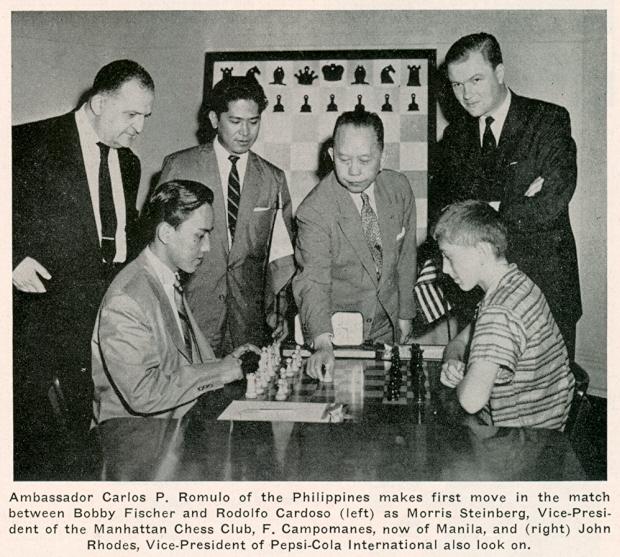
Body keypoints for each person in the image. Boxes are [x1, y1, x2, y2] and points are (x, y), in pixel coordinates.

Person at [12, 59, 155, 478]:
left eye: (145, 116)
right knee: (39, 451)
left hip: (100, 322)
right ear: (96, 103)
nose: (139, 128)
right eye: (131, 114)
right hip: (37, 328)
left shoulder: (128, 164)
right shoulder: (27, 142)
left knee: (87, 444)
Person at [433, 32, 581, 361]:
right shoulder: (454, 136)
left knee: (548, 392)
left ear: (499, 74)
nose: (466, 94)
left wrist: (482, 217)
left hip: (546, 284)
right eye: (457, 85)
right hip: (480, 289)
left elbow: (553, 199)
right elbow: (448, 211)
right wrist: (512, 204)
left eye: (475, 79)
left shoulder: (548, 120)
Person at [92, 180, 258, 425]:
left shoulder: (165, 279)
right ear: (166, 233)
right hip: (137, 438)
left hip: (173, 423)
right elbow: (143, 393)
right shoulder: (126, 300)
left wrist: (226, 362)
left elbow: (180, 361)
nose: (207, 247)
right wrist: (219, 371)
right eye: (199, 236)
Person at [159, 76, 294, 357]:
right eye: (235, 121)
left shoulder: (272, 178)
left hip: (250, 324)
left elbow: (280, 258)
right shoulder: (179, 166)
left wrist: (280, 312)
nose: (245, 131)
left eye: (253, 121)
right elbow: (159, 249)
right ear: (213, 119)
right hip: (192, 317)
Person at [293, 110, 417, 381]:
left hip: (389, 326)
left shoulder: (399, 189)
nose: (353, 170)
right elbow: (313, 280)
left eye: (364, 160)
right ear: (330, 155)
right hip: (338, 333)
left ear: (383, 157)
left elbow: (407, 257)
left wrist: (406, 314)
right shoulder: (314, 210)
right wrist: (322, 343)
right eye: (343, 159)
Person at [436, 200, 574, 430]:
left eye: (449, 256)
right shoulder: (515, 284)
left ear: (481, 251)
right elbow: (458, 342)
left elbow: (471, 401)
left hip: (522, 445)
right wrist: (453, 361)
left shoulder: (499, 311)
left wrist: (462, 379)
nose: (445, 269)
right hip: (541, 436)